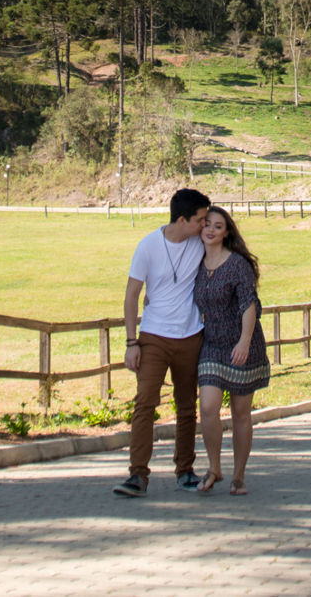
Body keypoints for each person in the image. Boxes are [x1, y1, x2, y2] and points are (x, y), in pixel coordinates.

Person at [113, 187, 211, 497]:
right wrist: (132, 342)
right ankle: (137, 475)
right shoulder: (148, 246)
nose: (204, 226)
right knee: (145, 403)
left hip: (190, 335)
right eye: (199, 220)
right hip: (154, 336)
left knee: (186, 407)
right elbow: (131, 295)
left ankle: (185, 471)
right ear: (182, 220)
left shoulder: (200, 243)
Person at [192, 205, 269, 496]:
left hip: (242, 345)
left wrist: (245, 341)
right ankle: (214, 467)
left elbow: (249, 305)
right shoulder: (195, 261)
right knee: (208, 408)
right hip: (212, 344)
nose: (210, 230)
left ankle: (239, 476)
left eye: (218, 226)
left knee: (240, 413)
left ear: (226, 233)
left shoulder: (237, 264)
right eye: (207, 224)